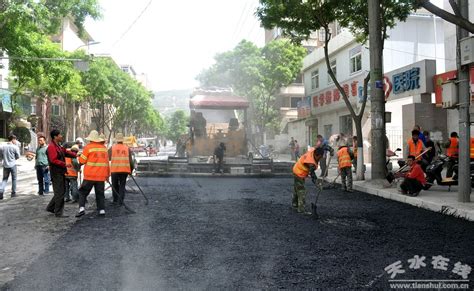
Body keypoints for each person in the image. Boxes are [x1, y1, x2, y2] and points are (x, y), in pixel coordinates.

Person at [76, 130, 110, 217]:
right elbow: (107, 163)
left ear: (90, 139)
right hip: (101, 176)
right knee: (100, 193)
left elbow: (82, 161)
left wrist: (80, 158)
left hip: (89, 176)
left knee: (83, 192)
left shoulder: (88, 147)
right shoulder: (104, 148)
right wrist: (107, 175)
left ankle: (82, 208)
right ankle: (101, 210)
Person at [46, 129, 77, 217]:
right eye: (60, 135)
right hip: (56, 172)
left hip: (60, 171)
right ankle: (58, 212)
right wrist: (64, 164)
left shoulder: (58, 146)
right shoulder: (52, 147)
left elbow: (65, 152)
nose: (61, 136)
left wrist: (76, 155)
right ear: (55, 137)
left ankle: (51, 207)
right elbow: (53, 160)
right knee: (60, 192)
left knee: (60, 191)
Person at [292, 147, 324, 214]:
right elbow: (312, 175)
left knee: (296, 188)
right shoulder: (310, 163)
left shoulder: (313, 151)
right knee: (301, 190)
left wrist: (330, 149)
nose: (320, 159)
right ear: (317, 155)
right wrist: (317, 184)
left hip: (296, 169)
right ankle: (301, 209)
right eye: (320, 157)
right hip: (299, 173)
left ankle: (294, 205)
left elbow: (322, 147)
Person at [109, 133, 134, 205]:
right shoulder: (127, 148)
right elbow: (131, 162)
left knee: (115, 185)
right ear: (122, 140)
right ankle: (121, 201)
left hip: (114, 170)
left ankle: (115, 200)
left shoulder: (112, 148)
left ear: (116, 140)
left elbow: (108, 157)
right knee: (122, 186)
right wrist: (131, 171)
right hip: (124, 170)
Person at [0, 135, 20, 199]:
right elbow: (18, 156)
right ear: (13, 139)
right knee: (14, 179)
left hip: (5, 165)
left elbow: (1, 156)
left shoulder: (2, 147)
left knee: (4, 179)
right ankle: (13, 193)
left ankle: (1, 191)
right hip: (13, 165)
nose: (15, 141)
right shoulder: (15, 147)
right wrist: (14, 158)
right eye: (15, 139)